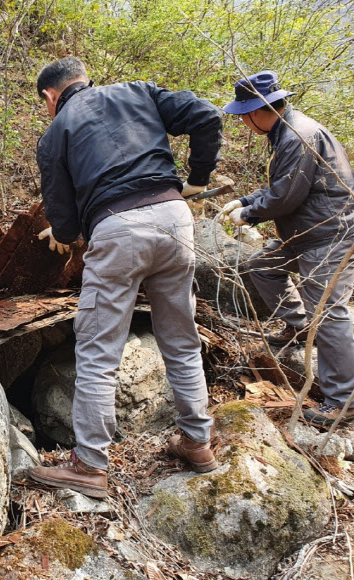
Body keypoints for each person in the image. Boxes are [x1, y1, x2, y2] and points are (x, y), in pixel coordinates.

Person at [29, 57, 223, 498]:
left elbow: (63, 212)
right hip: (175, 219)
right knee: (181, 337)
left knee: (98, 350)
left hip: (118, 229)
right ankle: (197, 441)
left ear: (50, 96)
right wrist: (197, 177)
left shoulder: (55, 132)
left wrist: (63, 234)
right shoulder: (139, 91)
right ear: (85, 79)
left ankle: (89, 465)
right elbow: (207, 115)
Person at [218, 70, 354, 426]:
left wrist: (248, 214)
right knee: (262, 265)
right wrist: (245, 198)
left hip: (328, 235)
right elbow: (284, 185)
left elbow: (286, 196)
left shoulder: (298, 135)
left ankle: (343, 399)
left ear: (256, 111)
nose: (243, 123)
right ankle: (297, 326)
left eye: (242, 116)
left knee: (328, 312)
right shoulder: (285, 130)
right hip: (305, 232)